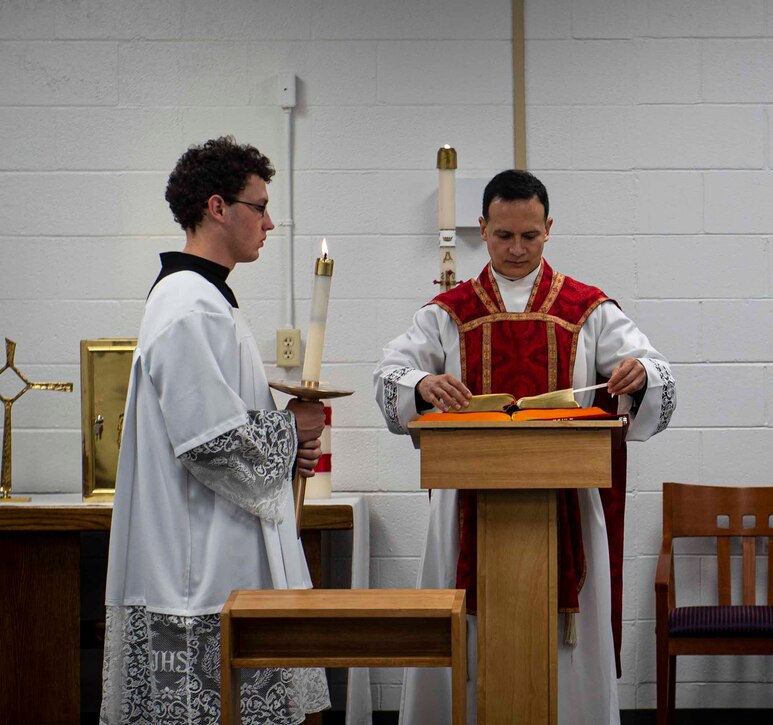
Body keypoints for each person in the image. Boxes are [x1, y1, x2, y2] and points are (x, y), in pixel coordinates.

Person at [375, 169, 676, 725]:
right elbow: (390, 374)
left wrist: (640, 374)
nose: (516, 249)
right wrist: (419, 385)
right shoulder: (449, 312)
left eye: (530, 236)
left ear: (549, 229)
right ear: (482, 228)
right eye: (503, 236)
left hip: (567, 504)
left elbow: (656, 370)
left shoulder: (587, 308)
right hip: (466, 500)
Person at [100, 137, 330, 725]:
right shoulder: (187, 304)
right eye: (260, 206)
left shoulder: (207, 300)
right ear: (218, 207)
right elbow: (211, 445)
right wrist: (289, 430)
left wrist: (287, 441)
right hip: (194, 565)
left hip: (215, 549)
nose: (270, 223)